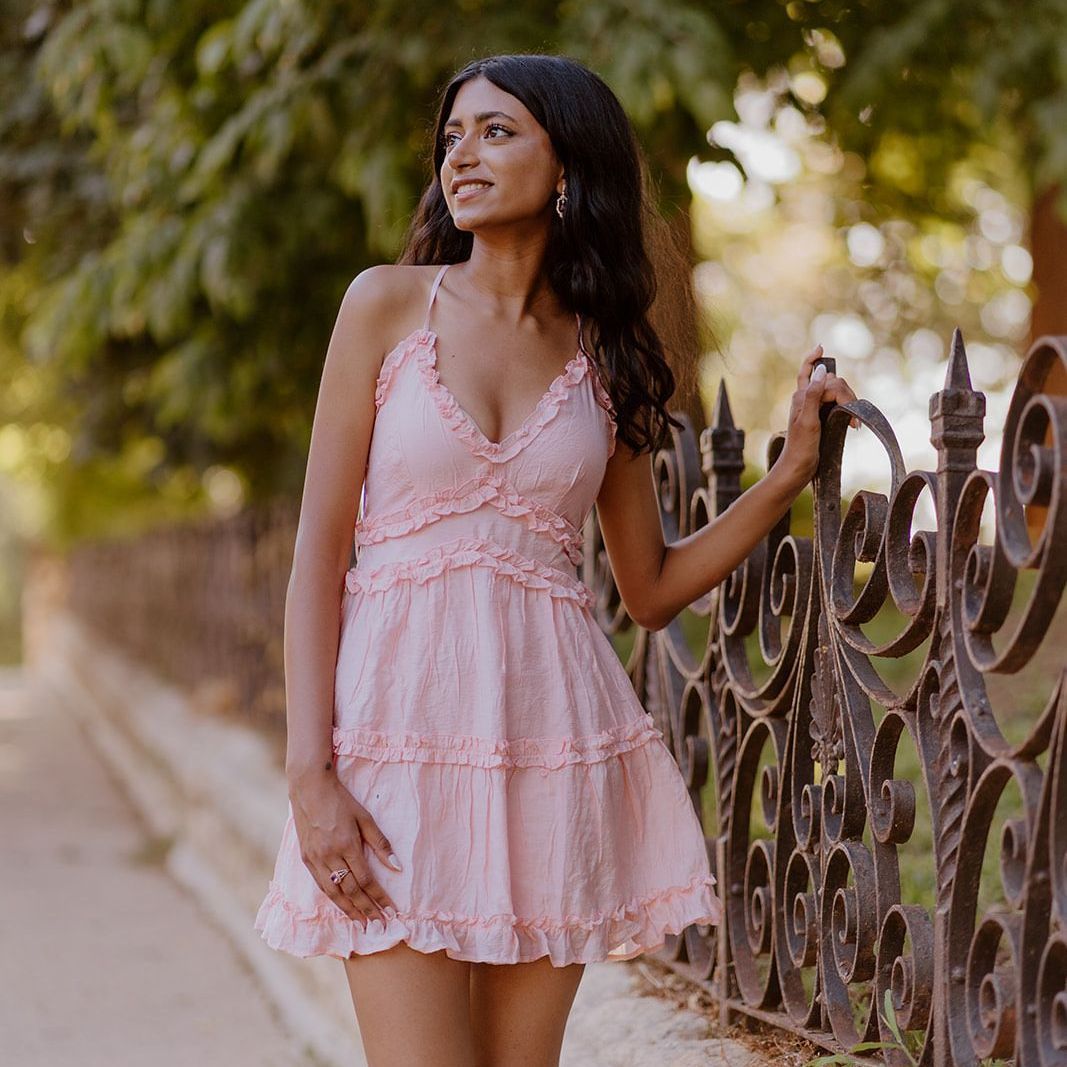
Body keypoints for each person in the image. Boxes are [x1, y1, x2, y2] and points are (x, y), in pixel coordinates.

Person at [254, 53, 857, 1067]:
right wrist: (309, 772)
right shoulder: (385, 305)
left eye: (497, 131)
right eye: (453, 136)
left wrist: (787, 472)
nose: (462, 155)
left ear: (568, 163)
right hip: (392, 753)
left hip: (551, 746)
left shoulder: (602, 354)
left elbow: (649, 587)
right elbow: (318, 554)